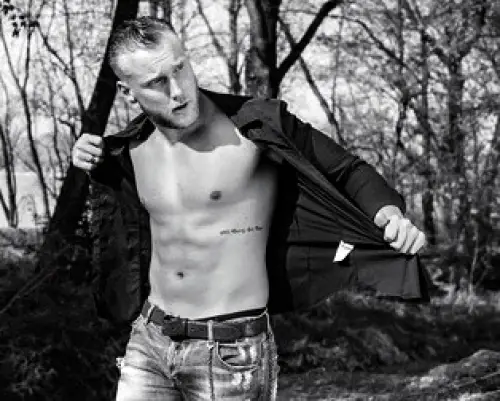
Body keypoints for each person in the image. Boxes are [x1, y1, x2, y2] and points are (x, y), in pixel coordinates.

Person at [72, 17, 428, 401]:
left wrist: (390, 214)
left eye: (180, 69)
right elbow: (123, 225)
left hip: (230, 352)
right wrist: (91, 159)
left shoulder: (255, 127)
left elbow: (348, 170)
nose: (178, 90)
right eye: (157, 82)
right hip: (150, 339)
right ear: (127, 92)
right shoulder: (130, 149)